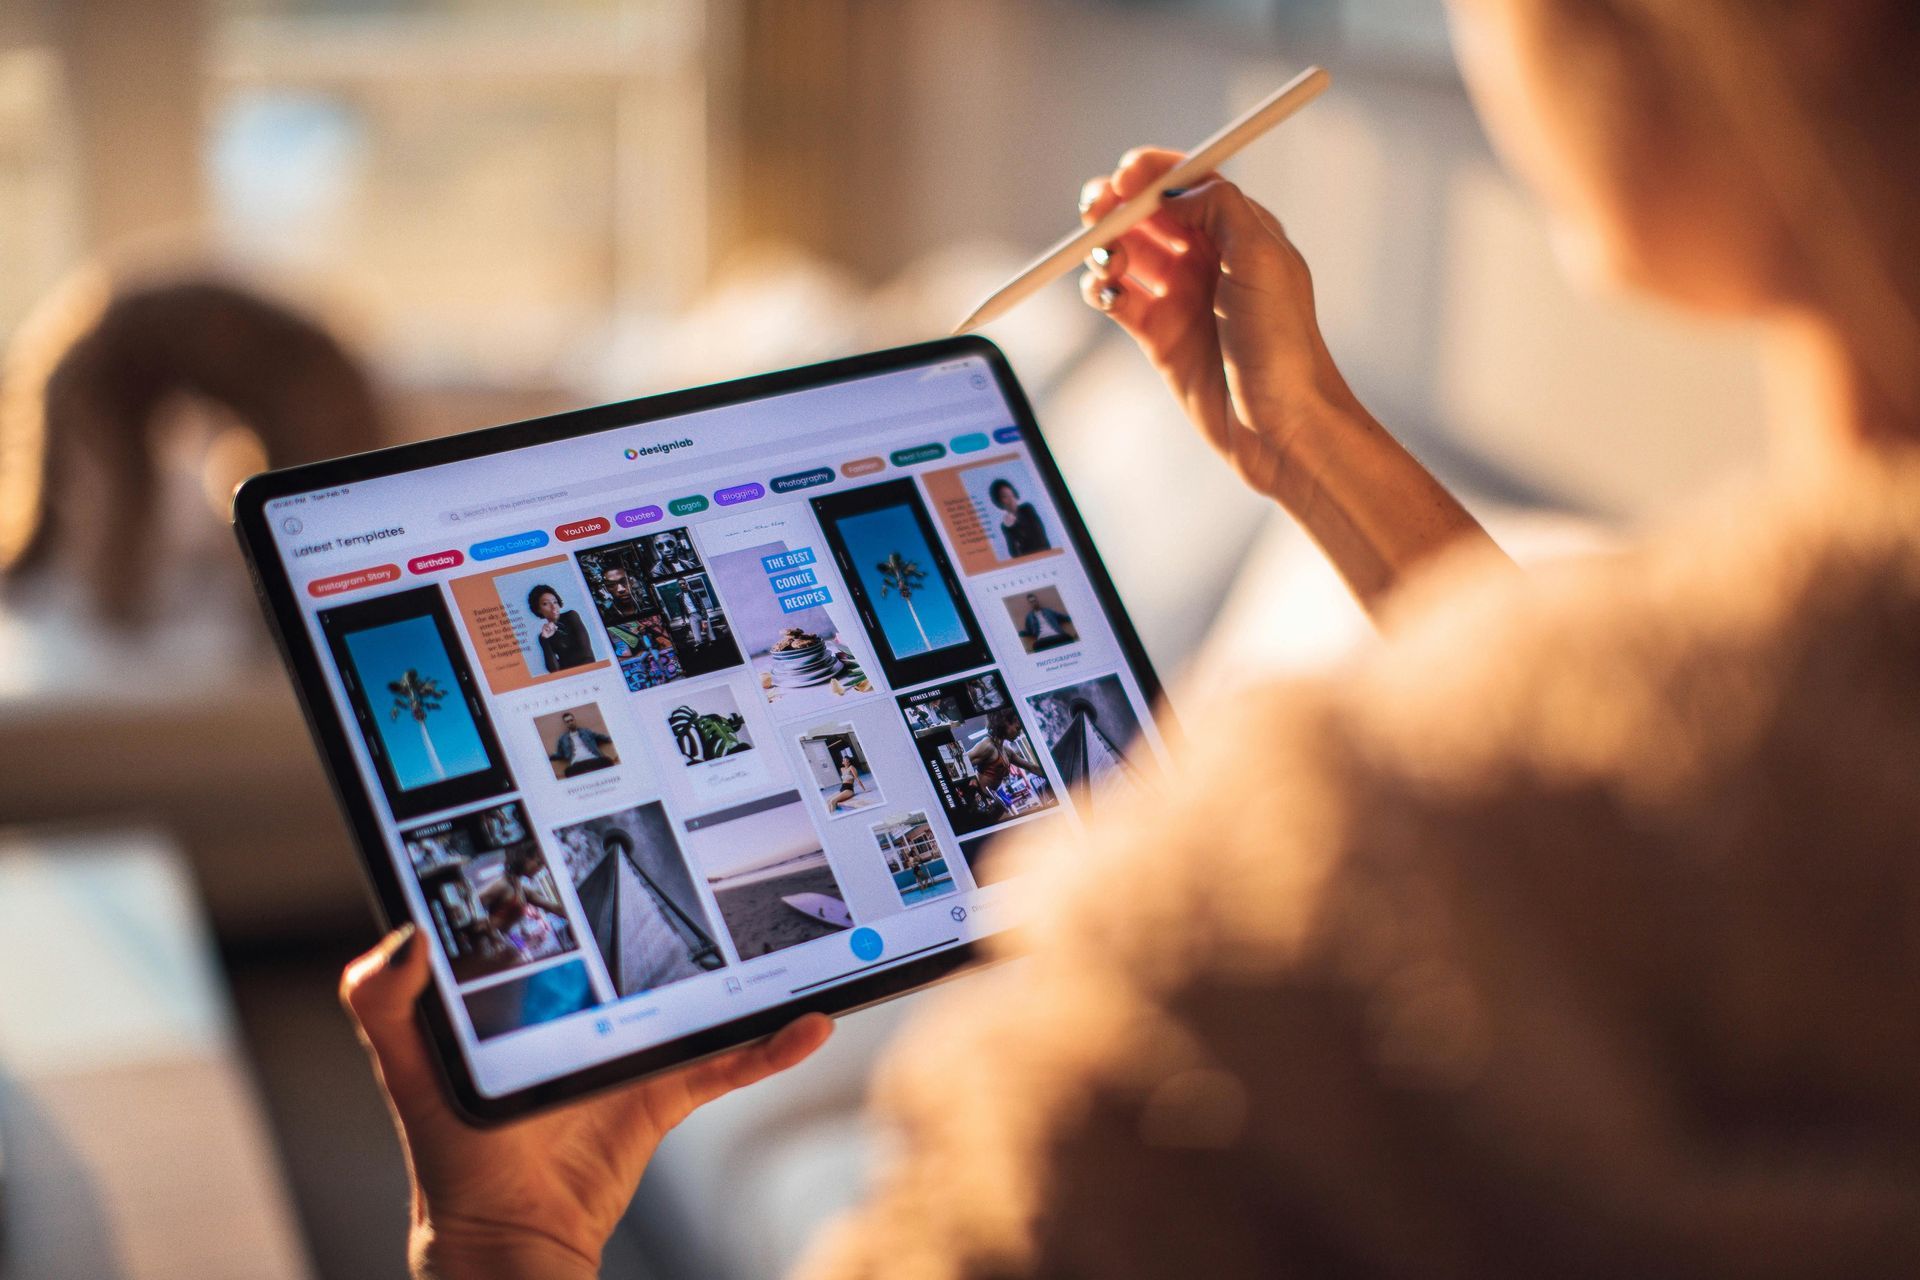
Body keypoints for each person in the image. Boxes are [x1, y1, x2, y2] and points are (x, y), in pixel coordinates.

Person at [341, 0, 1920, 1275]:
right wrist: (1306, 441)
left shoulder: (1279, 934)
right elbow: (1636, 793)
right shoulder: (1720, 798)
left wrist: (508, 1236)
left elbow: (1569, 824)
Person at [527, 584, 595, 673]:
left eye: (555, 602)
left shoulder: (571, 616)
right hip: (568, 678)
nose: (553, 606)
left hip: (589, 670)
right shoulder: (543, 636)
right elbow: (554, 669)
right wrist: (545, 640)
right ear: (538, 609)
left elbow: (587, 654)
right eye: (545, 604)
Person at [988, 478, 1050, 558]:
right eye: (1005, 497)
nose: (1011, 499)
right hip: (1028, 559)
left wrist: (1015, 524)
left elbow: (1039, 533)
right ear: (999, 501)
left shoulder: (1027, 508)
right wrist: (1010, 528)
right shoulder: (1005, 526)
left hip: (1045, 552)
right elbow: (1013, 552)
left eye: (1011, 494)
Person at [548, 711, 616, 778]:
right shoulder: (562, 738)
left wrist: (615, 738)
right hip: (577, 764)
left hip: (594, 759)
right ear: (565, 724)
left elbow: (600, 737)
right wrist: (548, 757)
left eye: (571, 720)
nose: (570, 723)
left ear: (574, 720)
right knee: (568, 772)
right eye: (567, 722)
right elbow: (559, 754)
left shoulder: (586, 731)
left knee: (607, 761)